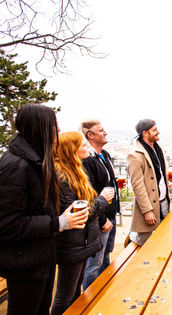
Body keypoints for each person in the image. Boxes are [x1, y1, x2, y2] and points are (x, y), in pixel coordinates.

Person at [0, 103, 87, 315]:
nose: (58, 131)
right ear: (41, 127)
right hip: (22, 261)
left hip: (38, 256)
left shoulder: (34, 160)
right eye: (54, 125)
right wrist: (57, 223)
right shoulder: (16, 167)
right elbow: (5, 224)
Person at [51, 131, 114, 315]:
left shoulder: (75, 171)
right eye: (82, 144)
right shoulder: (63, 177)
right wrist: (102, 200)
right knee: (64, 296)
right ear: (71, 149)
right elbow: (80, 212)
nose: (86, 147)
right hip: (71, 242)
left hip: (81, 241)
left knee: (74, 293)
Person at [79, 119, 121, 290]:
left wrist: (115, 183)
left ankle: (104, 293)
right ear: (90, 135)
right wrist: (102, 219)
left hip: (110, 214)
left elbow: (103, 183)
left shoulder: (105, 155)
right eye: (101, 130)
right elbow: (89, 194)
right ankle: (88, 300)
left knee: (105, 257)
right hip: (99, 219)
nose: (105, 133)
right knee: (94, 264)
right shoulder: (88, 161)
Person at [127, 119, 172, 246]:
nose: (158, 132)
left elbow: (156, 175)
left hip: (164, 202)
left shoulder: (158, 150)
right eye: (154, 130)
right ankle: (132, 236)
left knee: (164, 240)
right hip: (149, 206)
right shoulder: (134, 156)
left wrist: (168, 177)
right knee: (145, 245)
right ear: (145, 133)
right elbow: (137, 186)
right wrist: (147, 211)